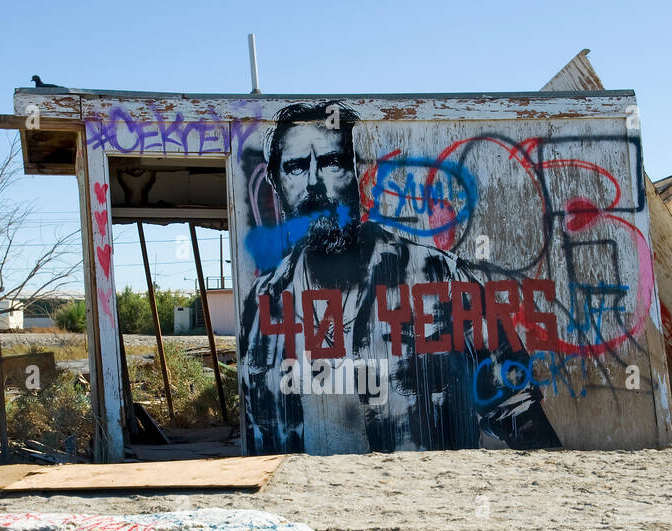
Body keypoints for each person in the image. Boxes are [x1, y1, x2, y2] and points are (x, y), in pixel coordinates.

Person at [239, 100, 560, 455]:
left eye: (332, 162)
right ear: (275, 181)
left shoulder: (443, 280)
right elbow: (261, 434)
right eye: (296, 167)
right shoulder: (262, 304)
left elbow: (519, 412)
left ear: (359, 172)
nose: (315, 183)